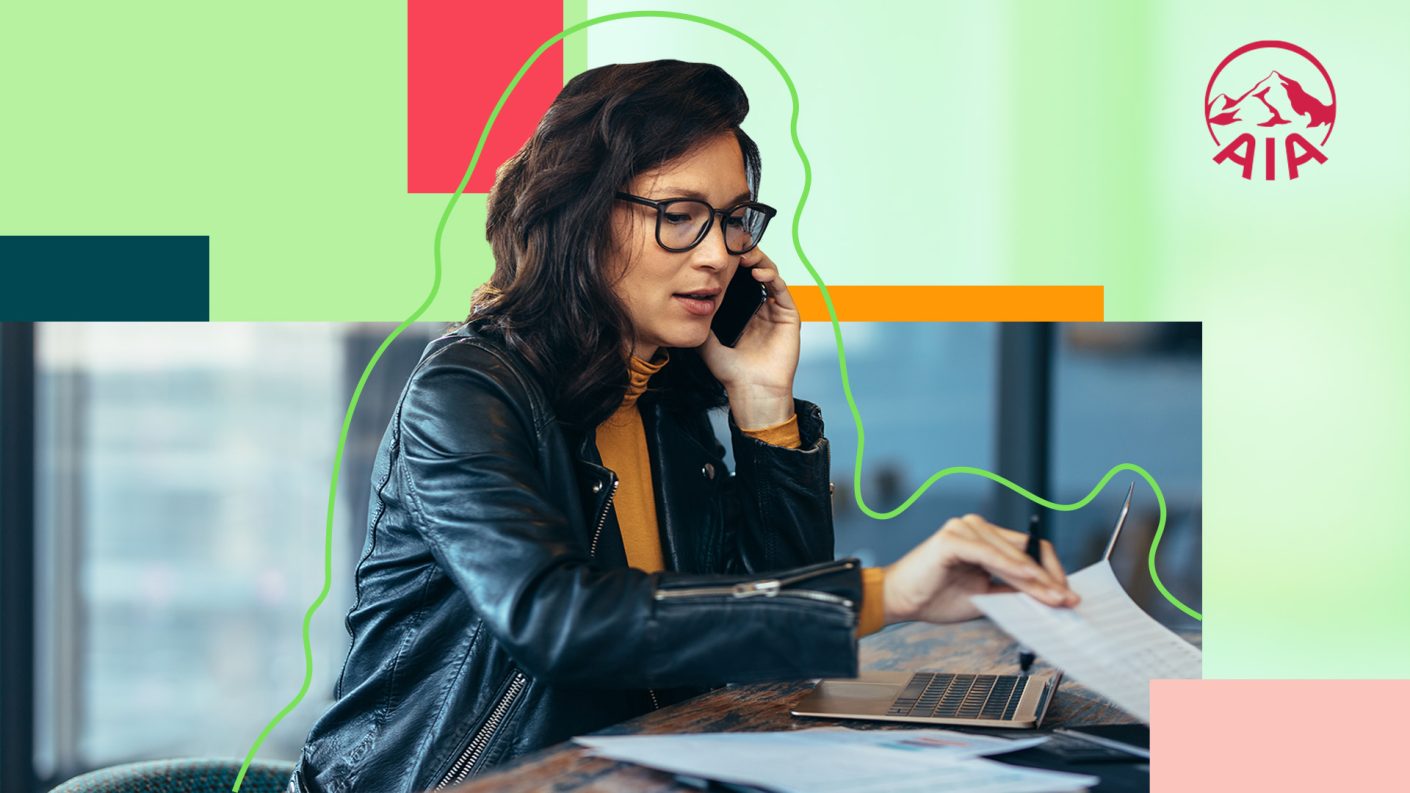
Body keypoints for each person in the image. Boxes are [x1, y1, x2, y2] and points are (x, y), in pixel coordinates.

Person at [290, 59, 1077, 793]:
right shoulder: (468, 389)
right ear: (582, 215)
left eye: (734, 220)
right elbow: (560, 618)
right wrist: (885, 593)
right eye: (679, 216)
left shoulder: (666, 399)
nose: (717, 256)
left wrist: (764, 405)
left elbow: (770, 656)